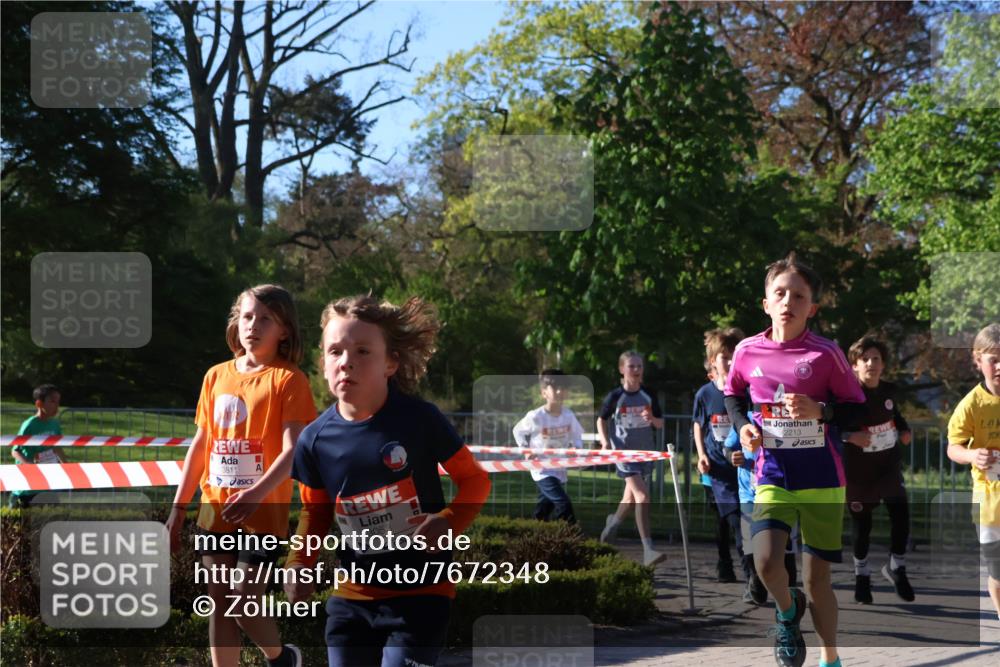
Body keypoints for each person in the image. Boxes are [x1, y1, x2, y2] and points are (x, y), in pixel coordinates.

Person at [283, 295, 491, 667]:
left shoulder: (420, 419)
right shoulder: (314, 440)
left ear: (390, 363)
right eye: (335, 352)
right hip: (352, 598)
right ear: (323, 364)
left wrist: (448, 520)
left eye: (362, 351)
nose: (346, 362)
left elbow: (475, 481)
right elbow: (315, 512)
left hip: (421, 593)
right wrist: (300, 561)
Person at [725, 252, 865, 667]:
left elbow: (857, 407)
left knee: (817, 579)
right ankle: (788, 612)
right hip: (773, 473)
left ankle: (830, 658)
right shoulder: (747, 351)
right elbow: (732, 393)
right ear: (766, 303)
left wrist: (821, 411)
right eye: (780, 293)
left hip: (823, 477)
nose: (789, 301)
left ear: (812, 307)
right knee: (766, 561)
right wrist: (743, 426)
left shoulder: (827, 353)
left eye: (799, 296)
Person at [166, 284, 317, 667]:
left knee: (241, 599)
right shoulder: (216, 376)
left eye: (266, 319)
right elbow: (201, 444)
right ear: (237, 321)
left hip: (263, 513)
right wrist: (178, 508)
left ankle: (282, 657)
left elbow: (294, 449)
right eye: (248, 316)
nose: (254, 325)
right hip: (214, 509)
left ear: (284, 330)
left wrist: (255, 492)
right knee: (219, 601)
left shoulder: (289, 380)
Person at [842, 335, 914, 604]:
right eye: (865, 359)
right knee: (863, 527)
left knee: (901, 515)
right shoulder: (847, 397)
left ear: (883, 365)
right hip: (859, 473)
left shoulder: (888, 391)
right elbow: (830, 429)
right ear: (854, 366)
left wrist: (905, 429)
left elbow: (895, 416)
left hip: (888, 467)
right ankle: (862, 576)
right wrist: (851, 437)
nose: (871, 363)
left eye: (876, 359)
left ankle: (897, 567)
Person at [946, 323, 1000, 619]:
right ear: (978, 361)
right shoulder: (971, 405)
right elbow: (952, 448)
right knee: (998, 572)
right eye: (994, 359)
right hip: (989, 504)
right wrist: (972, 455)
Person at [598, 350, 667, 567]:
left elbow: (660, 423)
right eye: (632, 366)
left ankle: (612, 524)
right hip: (624, 453)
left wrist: (651, 418)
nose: (636, 370)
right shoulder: (616, 396)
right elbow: (601, 419)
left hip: (644, 453)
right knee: (642, 495)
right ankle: (648, 550)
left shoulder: (648, 395)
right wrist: (604, 442)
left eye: (639, 366)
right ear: (622, 369)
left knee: (629, 500)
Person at [724, 411, 798, 605]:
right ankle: (755, 580)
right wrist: (733, 456)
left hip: (780, 492)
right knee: (747, 541)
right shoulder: (743, 419)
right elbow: (727, 447)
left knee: (785, 545)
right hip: (749, 493)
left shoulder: (785, 418)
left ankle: (790, 594)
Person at [693, 327, 747, 583]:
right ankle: (726, 564)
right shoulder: (705, 394)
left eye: (733, 355)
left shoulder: (745, 392)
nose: (729, 361)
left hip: (741, 466)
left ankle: (747, 568)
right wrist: (701, 455)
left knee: (738, 517)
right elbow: (697, 425)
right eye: (723, 357)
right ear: (713, 361)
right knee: (726, 519)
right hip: (714, 469)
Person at [513, 369, 583, 524]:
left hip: (559, 467)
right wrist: (526, 450)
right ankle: (569, 536)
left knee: (543, 511)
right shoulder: (535, 416)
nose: (559, 391)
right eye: (554, 387)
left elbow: (577, 436)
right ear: (544, 393)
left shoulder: (568, 415)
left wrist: (576, 449)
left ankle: (532, 536)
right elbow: (517, 431)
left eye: (563, 387)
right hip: (542, 469)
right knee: (563, 504)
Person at [9, 384, 65, 508]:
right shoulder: (29, 425)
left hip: (47, 484)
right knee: (19, 525)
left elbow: (57, 447)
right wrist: (31, 466)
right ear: (39, 404)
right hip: (26, 488)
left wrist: (67, 466)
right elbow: (15, 451)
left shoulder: (54, 424)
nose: (57, 406)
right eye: (52, 401)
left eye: (58, 402)